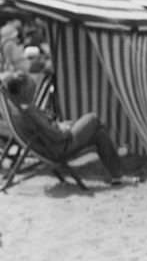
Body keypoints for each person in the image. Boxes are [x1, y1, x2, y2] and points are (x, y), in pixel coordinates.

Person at [2, 70, 138, 185]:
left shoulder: (19, 109)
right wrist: (67, 128)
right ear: (24, 91)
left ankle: (117, 176)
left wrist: (63, 126)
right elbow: (56, 136)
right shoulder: (29, 111)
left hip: (52, 145)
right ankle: (117, 164)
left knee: (100, 134)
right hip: (60, 147)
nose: (34, 91)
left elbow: (48, 131)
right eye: (32, 88)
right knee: (93, 118)